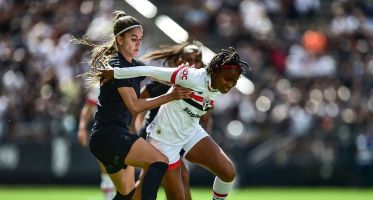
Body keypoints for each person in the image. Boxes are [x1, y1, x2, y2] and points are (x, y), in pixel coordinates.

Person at [100, 47, 250, 200]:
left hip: (190, 132)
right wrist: (116, 73)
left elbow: (201, 100)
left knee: (228, 172)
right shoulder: (190, 76)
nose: (230, 84)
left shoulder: (218, 85)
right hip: (164, 140)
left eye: (234, 81)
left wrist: (205, 110)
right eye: (228, 79)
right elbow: (151, 71)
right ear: (215, 71)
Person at [78, 10, 192, 200]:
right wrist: (171, 96)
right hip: (111, 135)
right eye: (133, 39)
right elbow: (134, 106)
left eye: (140, 38)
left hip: (106, 138)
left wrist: (183, 77)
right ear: (120, 40)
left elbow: (157, 75)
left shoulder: (132, 65)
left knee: (127, 195)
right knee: (159, 162)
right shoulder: (118, 66)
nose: (138, 43)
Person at [135, 41, 212, 200]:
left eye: (196, 60)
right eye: (188, 59)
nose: (192, 64)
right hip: (155, 133)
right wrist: (133, 127)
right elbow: (137, 104)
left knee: (153, 179)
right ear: (179, 61)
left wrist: (204, 136)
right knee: (179, 175)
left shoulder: (202, 87)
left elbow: (206, 118)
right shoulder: (162, 83)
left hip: (177, 137)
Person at [77, 85, 115, 200]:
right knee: (106, 168)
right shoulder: (98, 87)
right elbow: (88, 107)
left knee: (121, 170)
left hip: (121, 129)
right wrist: (82, 128)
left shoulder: (126, 80)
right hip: (103, 130)